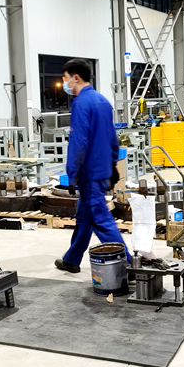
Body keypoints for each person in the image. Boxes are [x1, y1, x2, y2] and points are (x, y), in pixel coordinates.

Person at [55, 58, 130, 274]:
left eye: (65, 78)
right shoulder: (102, 101)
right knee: (85, 216)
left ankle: (128, 263)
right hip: (102, 170)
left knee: (100, 218)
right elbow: (113, 138)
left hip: (89, 173)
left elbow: (79, 142)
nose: (65, 83)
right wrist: (113, 165)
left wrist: (72, 174)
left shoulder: (81, 102)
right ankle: (72, 259)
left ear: (76, 77)